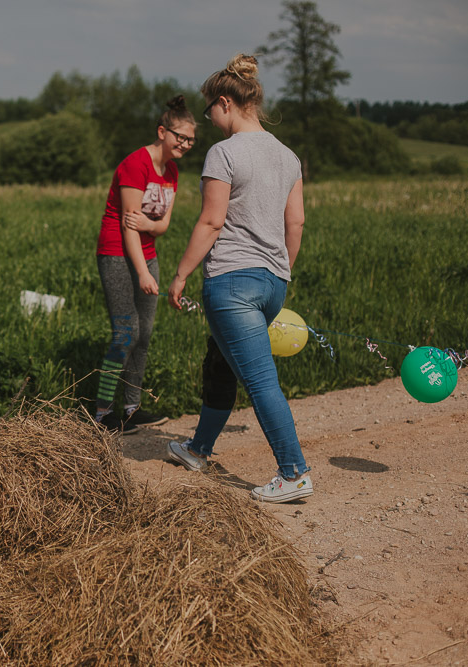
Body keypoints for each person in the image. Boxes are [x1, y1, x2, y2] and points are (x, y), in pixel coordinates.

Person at [165, 54, 310, 504]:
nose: (209, 120)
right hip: (271, 283)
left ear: (226, 103)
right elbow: (296, 224)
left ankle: (293, 473)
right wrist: (281, 269)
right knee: (222, 362)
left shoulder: (224, 152)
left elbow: (211, 222)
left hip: (232, 284)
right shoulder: (288, 157)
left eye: (210, 110)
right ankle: (197, 449)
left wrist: (180, 273)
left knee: (261, 380)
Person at [93, 96, 197, 434]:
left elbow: (161, 225)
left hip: (147, 252)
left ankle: (131, 408)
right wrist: (140, 272)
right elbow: (127, 225)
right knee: (127, 333)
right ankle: (102, 413)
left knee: (146, 334)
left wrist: (150, 227)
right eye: (179, 136)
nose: (185, 143)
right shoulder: (136, 164)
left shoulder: (172, 171)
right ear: (162, 131)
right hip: (117, 253)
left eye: (191, 140)